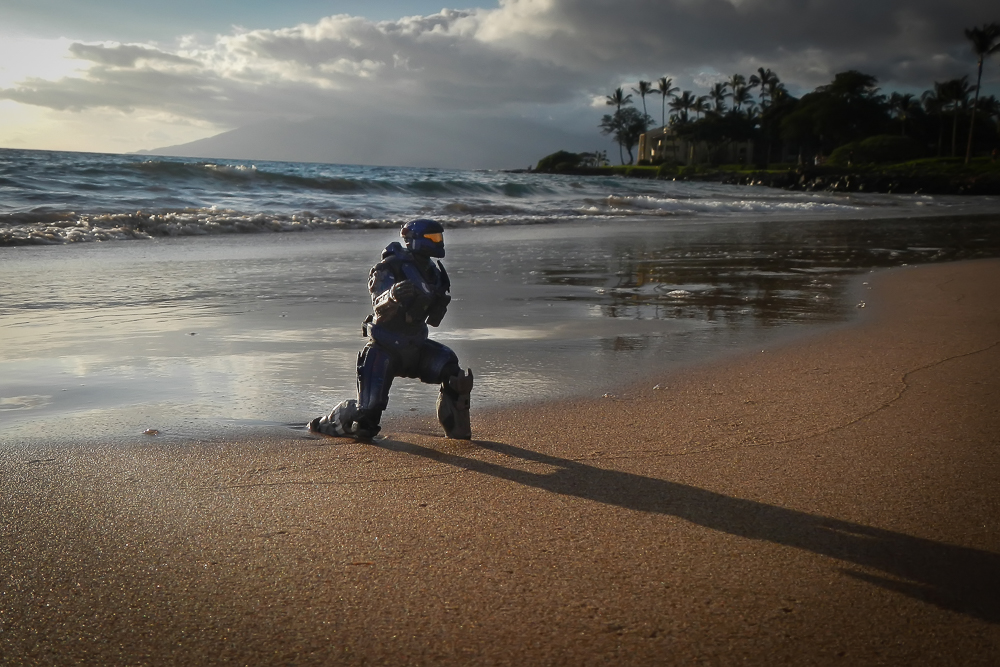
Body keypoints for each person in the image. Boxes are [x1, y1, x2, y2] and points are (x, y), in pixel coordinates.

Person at [309, 219, 473, 440]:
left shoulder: (435, 274)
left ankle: (457, 431)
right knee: (365, 422)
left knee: (454, 374)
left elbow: (433, 320)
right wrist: (392, 295)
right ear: (414, 239)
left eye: (439, 237)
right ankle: (328, 422)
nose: (438, 242)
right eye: (433, 238)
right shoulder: (389, 267)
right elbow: (378, 304)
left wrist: (438, 303)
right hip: (384, 348)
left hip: (415, 346)